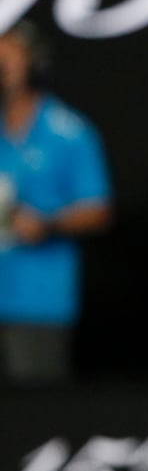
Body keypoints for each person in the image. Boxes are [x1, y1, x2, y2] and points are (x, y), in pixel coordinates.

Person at [0, 20, 113, 386]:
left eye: (10, 57)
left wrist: (46, 224)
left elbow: (98, 210)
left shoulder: (69, 131)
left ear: (32, 62)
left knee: (32, 416)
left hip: (38, 301)